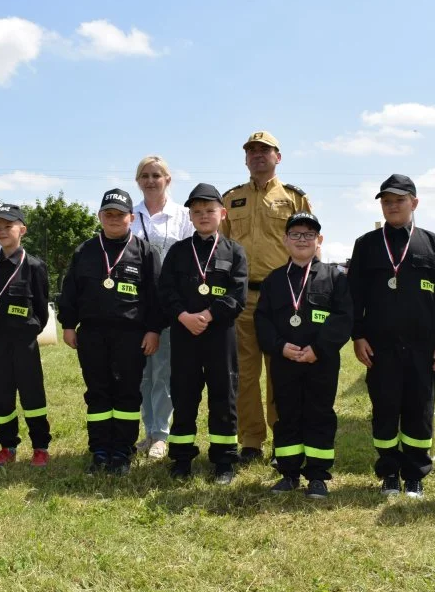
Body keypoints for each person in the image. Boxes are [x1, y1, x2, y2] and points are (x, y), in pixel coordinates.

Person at [348, 174, 435, 498]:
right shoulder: (366, 244)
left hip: (423, 347)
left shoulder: (432, 243)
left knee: (419, 410)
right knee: (384, 408)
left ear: (414, 202)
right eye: (386, 201)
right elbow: (354, 296)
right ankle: (389, 474)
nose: (392, 206)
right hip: (379, 347)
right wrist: (357, 335)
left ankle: (414, 475)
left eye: (399, 200)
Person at [220, 130, 312, 464]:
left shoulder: (295, 199)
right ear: (246, 158)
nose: (258, 155)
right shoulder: (230, 200)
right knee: (244, 374)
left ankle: (282, 440)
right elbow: (222, 249)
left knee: (281, 372)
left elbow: (310, 245)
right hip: (242, 298)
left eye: (265, 150)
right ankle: (251, 441)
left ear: (278, 156)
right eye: (252, 151)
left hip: (282, 298)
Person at [58, 188, 164, 475]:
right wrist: (68, 325)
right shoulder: (85, 251)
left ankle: (122, 451)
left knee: (128, 394)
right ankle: (100, 450)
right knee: (98, 393)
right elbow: (70, 292)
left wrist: (153, 330)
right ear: (100, 216)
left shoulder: (144, 251)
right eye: (109, 214)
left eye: (120, 214)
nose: (114, 219)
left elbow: (155, 296)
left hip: (130, 335)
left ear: (131, 217)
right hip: (92, 334)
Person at [255, 213, 352, 499]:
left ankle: (318, 477)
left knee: (319, 414)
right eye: (295, 234)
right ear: (285, 240)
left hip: (320, 362)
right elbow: (262, 320)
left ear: (319, 240)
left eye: (308, 234)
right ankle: (288, 473)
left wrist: (318, 349)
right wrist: (279, 346)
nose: (302, 240)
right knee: (287, 415)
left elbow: (343, 318)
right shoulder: (273, 280)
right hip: (285, 361)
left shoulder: (335, 278)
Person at [159, 183, 247, 485]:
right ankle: (181, 459)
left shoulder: (235, 252)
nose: (204, 215)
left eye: (210, 210)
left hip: (220, 334)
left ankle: (224, 461)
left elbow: (238, 295)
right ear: (191, 217)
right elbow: (166, 291)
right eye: (197, 211)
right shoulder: (178, 252)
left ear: (222, 214)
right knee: (184, 396)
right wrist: (184, 316)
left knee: (224, 397)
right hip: (185, 334)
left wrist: (209, 315)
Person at [130, 155, 194, 459]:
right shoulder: (129, 215)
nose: (150, 180)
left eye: (156, 175)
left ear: (168, 179)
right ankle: (148, 430)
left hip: (171, 305)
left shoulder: (183, 216)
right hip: (138, 306)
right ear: (138, 181)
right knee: (143, 372)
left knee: (164, 371)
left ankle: (161, 434)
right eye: (145, 175)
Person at [0, 205, 52, 467]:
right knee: (1, 395)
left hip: (24, 343)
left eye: (7, 226)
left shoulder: (34, 266)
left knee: (32, 395)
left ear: (22, 229)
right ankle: (7, 445)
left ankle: (40, 446)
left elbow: (42, 311)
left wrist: (27, 330)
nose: (1, 231)